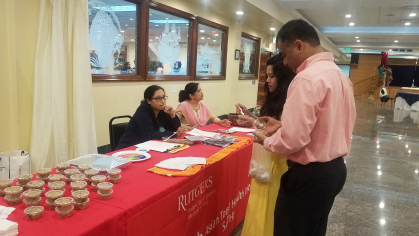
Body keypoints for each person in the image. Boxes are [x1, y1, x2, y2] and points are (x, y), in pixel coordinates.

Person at [253, 19, 356, 236]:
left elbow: (293, 140)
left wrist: (267, 140)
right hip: (334, 171)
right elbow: (331, 124)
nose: (285, 61)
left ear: (299, 45)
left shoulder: (307, 79)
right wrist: (283, 125)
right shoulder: (340, 75)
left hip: (309, 175)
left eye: (285, 53)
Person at [237, 54, 296, 236]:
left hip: (278, 160)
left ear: (283, 77)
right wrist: (253, 118)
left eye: (272, 76)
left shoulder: (290, 101)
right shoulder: (274, 99)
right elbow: (269, 125)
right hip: (265, 158)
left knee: (270, 207)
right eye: (266, 76)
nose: (267, 81)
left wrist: (255, 123)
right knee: (259, 205)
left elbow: (285, 133)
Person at [116, 85, 187, 150]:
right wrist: (174, 134)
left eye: (163, 97)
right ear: (148, 100)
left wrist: (172, 114)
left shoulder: (161, 110)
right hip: (130, 147)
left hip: (149, 145)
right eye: (158, 98)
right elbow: (149, 134)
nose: (163, 101)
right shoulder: (143, 111)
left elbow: (176, 128)